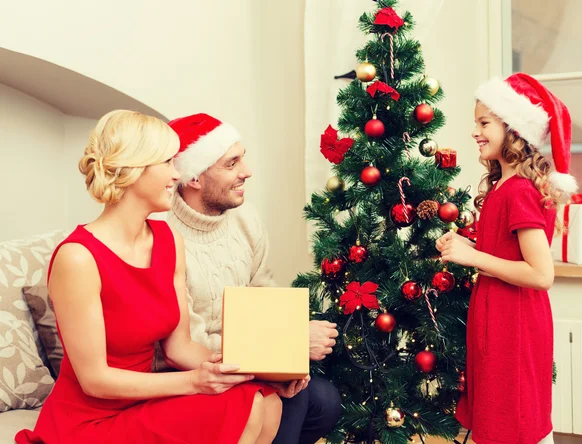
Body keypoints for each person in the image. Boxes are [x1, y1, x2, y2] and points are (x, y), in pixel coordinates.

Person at [16, 110, 281, 444]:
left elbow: (181, 347)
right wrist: (194, 382)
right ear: (134, 170)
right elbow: (95, 380)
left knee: (265, 398)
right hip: (90, 420)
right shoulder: (78, 257)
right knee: (249, 407)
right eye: (168, 163)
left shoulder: (168, 241)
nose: (177, 175)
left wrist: (261, 369)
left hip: (145, 400)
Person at [165, 112, 342, 444]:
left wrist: (280, 361)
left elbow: (264, 295)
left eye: (242, 158)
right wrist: (278, 350)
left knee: (325, 401)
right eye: (231, 164)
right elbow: (184, 346)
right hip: (192, 372)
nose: (247, 171)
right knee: (291, 401)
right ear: (194, 178)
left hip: (244, 356)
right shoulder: (165, 238)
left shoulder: (244, 217)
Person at [436, 73, 577, 444]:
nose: (475, 132)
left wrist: (472, 256)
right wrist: (466, 243)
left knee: (514, 422)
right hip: (496, 318)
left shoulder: (519, 192)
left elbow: (540, 273)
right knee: (498, 421)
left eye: (484, 122)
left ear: (513, 129)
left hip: (514, 325)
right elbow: (504, 248)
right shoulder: (502, 186)